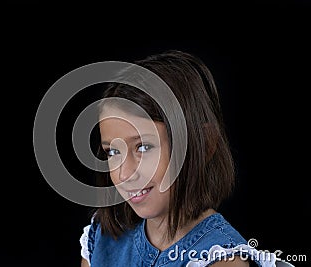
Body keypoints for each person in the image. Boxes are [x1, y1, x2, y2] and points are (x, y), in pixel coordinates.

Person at [79, 50, 275, 267]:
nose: (125, 173)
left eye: (144, 147)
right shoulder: (102, 239)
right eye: (113, 152)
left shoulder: (222, 261)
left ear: (204, 145)